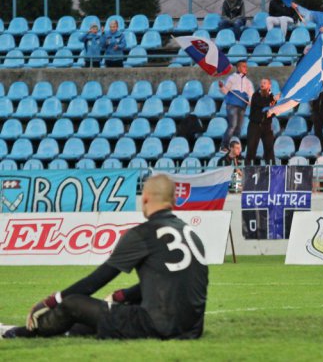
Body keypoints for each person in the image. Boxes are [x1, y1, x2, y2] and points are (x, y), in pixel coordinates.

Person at [0, 174, 208, 340]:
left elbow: (95, 281)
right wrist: (123, 295)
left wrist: (51, 301)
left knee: (73, 304)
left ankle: (21, 332)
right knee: (115, 309)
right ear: (174, 200)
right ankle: (67, 331)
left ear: (145, 198)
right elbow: (174, 279)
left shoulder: (143, 233)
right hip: (191, 328)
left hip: (157, 326)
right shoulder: (190, 232)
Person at [218, 60, 254, 152]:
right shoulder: (232, 78)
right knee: (233, 125)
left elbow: (251, 95)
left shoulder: (248, 82)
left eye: (246, 66)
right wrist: (222, 87)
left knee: (238, 127)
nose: (246, 68)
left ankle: (234, 147)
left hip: (242, 106)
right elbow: (225, 91)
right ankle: (224, 145)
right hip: (232, 105)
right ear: (238, 68)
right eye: (243, 66)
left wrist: (251, 102)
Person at [245, 78, 277, 165]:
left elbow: (274, 110)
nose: (262, 84)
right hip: (254, 125)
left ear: (269, 85)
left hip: (266, 126)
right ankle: (248, 168)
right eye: (261, 82)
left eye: (264, 83)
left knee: (269, 148)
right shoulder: (256, 95)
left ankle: (271, 168)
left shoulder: (272, 97)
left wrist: (271, 113)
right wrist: (272, 101)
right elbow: (261, 104)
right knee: (251, 148)